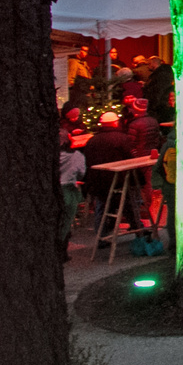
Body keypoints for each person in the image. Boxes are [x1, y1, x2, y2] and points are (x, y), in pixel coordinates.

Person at [82, 111, 142, 229]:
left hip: (99, 181)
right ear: (115, 123)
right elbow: (131, 158)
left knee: (102, 206)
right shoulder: (123, 139)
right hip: (120, 180)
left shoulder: (92, 140)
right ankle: (138, 229)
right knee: (129, 203)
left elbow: (88, 160)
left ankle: (101, 234)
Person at [58, 130, 87, 260]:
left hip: (54, 190)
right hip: (68, 190)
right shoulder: (77, 156)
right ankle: (61, 251)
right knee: (65, 223)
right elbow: (81, 173)